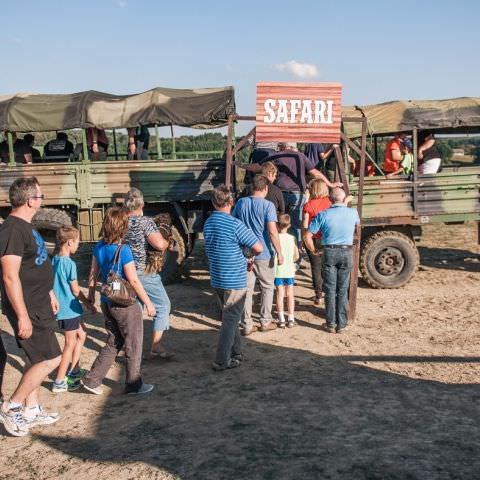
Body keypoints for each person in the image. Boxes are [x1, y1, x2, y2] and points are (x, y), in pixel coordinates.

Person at [0, 177, 62, 437]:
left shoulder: (27, 226)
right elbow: (10, 276)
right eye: (40, 196)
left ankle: (32, 409)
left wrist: (49, 291)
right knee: (51, 359)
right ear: (30, 200)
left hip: (39, 302)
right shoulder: (12, 230)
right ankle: (12, 406)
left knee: (35, 358)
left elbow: (34, 264)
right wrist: (22, 315)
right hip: (29, 308)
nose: (42, 200)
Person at [82, 207, 156, 395]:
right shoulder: (124, 251)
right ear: (122, 227)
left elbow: (93, 274)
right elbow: (133, 280)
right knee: (134, 343)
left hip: (107, 300)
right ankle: (134, 384)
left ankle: (92, 379)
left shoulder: (98, 246)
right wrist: (148, 303)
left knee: (114, 341)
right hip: (125, 304)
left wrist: (91, 296)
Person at [235, 142, 341, 247]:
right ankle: (296, 253)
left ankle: (279, 249)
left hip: (280, 193)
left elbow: (257, 167)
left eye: (278, 146)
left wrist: (240, 164)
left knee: (278, 222)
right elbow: (314, 172)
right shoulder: (301, 156)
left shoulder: (277, 155)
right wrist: (330, 184)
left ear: (282, 146)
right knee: (296, 225)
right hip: (297, 194)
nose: (277, 148)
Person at [203, 185, 262, 370]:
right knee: (230, 319)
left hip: (217, 277)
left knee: (230, 317)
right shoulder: (235, 224)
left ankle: (236, 353)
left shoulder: (208, 223)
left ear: (213, 202)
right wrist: (248, 254)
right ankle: (221, 360)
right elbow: (258, 247)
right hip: (234, 278)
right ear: (231, 202)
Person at [124, 188, 173, 359]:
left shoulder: (120, 222)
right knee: (163, 305)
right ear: (142, 204)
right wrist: (168, 241)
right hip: (142, 271)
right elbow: (160, 244)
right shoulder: (145, 222)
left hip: (124, 271)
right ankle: (156, 345)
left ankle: (130, 347)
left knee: (134, 308)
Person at [304, 187, 360, 334]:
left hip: (329, 251)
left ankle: (330, 323)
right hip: (347, 251)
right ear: (343, 199)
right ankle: (342, 323)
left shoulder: (323, 214)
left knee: (329, 288)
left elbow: (307, 235)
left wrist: (314, 250)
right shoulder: (353, 213)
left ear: (330, 199)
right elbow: (355, 225)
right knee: (342, 289)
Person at [233, 174, 283, 335]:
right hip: (264, 252)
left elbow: (234, 224)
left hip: (245, 253)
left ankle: (247, 324)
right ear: (266, 188)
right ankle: (265, 321)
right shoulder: (268, 206)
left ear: (252, 187)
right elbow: (272, 231)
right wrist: (280, 252)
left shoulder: (241, 203)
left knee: (247, 289)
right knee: (267, 287)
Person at [51, 227, 96, 393]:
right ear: (70, 242)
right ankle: (59, 381)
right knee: (69, 344)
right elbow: (76, 290)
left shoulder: (55, 259)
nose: (78, 245)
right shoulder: (69, 263)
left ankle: (74, 370)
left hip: (67, 309)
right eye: (78, 242)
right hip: (68, 309)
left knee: (82, 334)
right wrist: (88, 303)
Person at [302, 179, 332, 305]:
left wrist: (303, 239)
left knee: (315, 267)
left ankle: (318, 295)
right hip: (327, 239)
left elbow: (304, 225)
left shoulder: (308, 205)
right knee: (327, 266)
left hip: (312, 239)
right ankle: (328, 292)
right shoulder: (330, 203)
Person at [274, 214, 299, 328]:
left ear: (277, 225)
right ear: (289, 225)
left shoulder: (275, 238)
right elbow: (296, 256)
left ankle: (281, 319)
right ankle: (291, 318)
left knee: (280, 294)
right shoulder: (292, 238)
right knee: (290, 294)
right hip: (289, 270)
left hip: (278, 270)